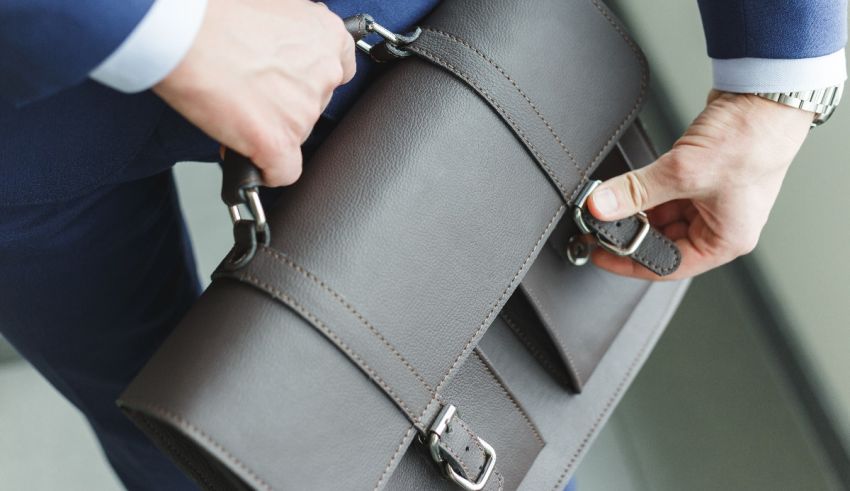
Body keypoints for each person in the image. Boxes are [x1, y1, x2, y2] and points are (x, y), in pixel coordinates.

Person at [0, 0, 845, 489]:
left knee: (483, 419)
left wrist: (776, 73)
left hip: (381, 40)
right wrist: (166, 26)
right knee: (191, 450)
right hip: (21, 121)